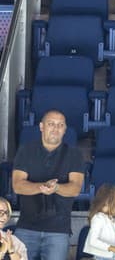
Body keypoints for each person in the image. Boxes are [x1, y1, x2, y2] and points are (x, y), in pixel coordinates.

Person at [12, 110, 85, 260]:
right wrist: (42, 187)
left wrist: (56, 188)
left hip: (58, 230)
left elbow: (75, 188)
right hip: (26, 227)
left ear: (65, 129)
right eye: (51, 124)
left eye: (60, 125)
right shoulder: (26, 150)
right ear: (41, 126)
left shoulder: (74, 154)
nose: (55, 128)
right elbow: (17, 185)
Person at [83, 184, 115, 259]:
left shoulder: (111, 220)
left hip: (113, 256)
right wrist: (113, 248)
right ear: (108, 202)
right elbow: (93, 241)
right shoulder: (98, 218)